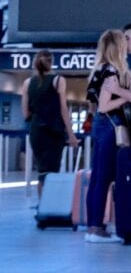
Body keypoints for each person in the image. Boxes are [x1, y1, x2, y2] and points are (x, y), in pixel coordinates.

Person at [84, 29, 131, 242]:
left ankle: (92, 226)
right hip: (111, 126)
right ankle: (97, 228)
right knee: (103, 179)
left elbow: (95, 106)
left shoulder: (97, 70)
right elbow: (104, 105)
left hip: (99, 126)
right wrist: (128, 97)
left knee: (96, 178)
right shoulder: (111, 71)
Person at [21, 49, 79, 196]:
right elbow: (63, 110)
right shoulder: (58, 80)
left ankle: (42, 206)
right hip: (54, 131)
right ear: (51, 62)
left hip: (36, 131)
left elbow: (25, 113)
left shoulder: (27, 83)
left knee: (42, 171)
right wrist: (71, 134)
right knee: (52, 170)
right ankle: (50, 206)